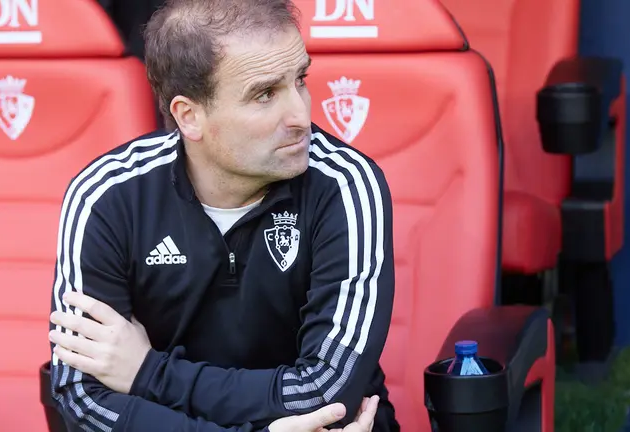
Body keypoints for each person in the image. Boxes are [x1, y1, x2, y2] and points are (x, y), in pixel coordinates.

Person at [47, 0, 398, 431]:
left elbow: (326, 393)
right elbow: (82, 396)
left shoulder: (346, 185)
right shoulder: (108, 195)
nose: (301, 116)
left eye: (300, 80)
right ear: (189, 116)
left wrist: (148, 373)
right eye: (265, 94)